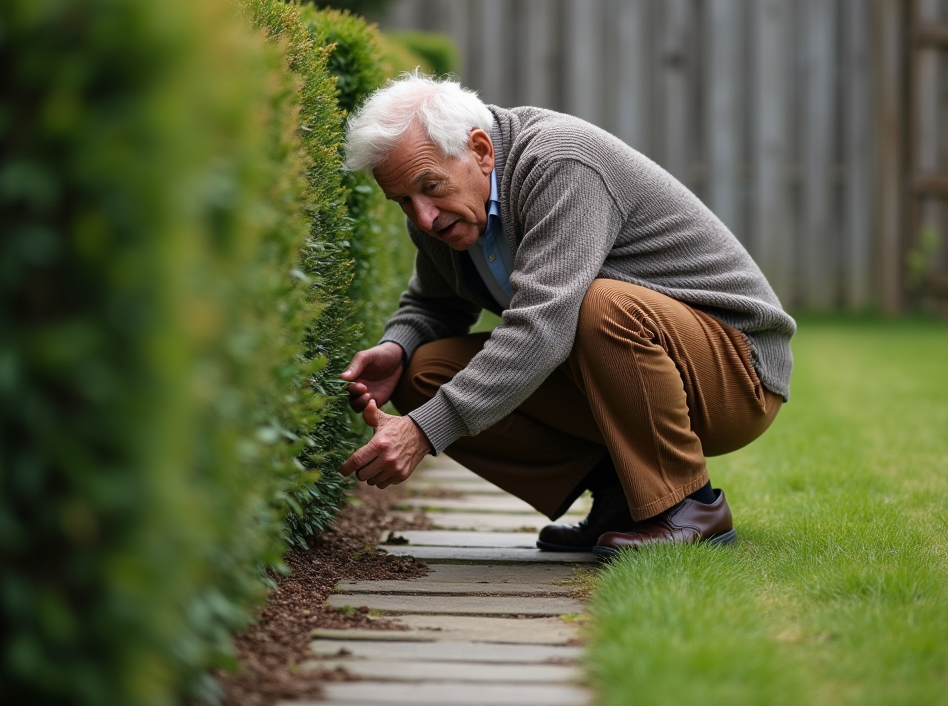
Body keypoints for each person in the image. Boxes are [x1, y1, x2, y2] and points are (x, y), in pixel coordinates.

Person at [337, 73, 795, 558]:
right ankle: (624, 498)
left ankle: (688, 506)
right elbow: (436, 305)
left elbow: (544, 326)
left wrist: (425, 429)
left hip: (736, 372)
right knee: (424, 372)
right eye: (403, 200)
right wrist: (397, 348)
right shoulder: (442, 217)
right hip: (629, 370)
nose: (424, 216)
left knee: (601, 305)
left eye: (430, 187)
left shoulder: (560, 162)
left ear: (480, 150)